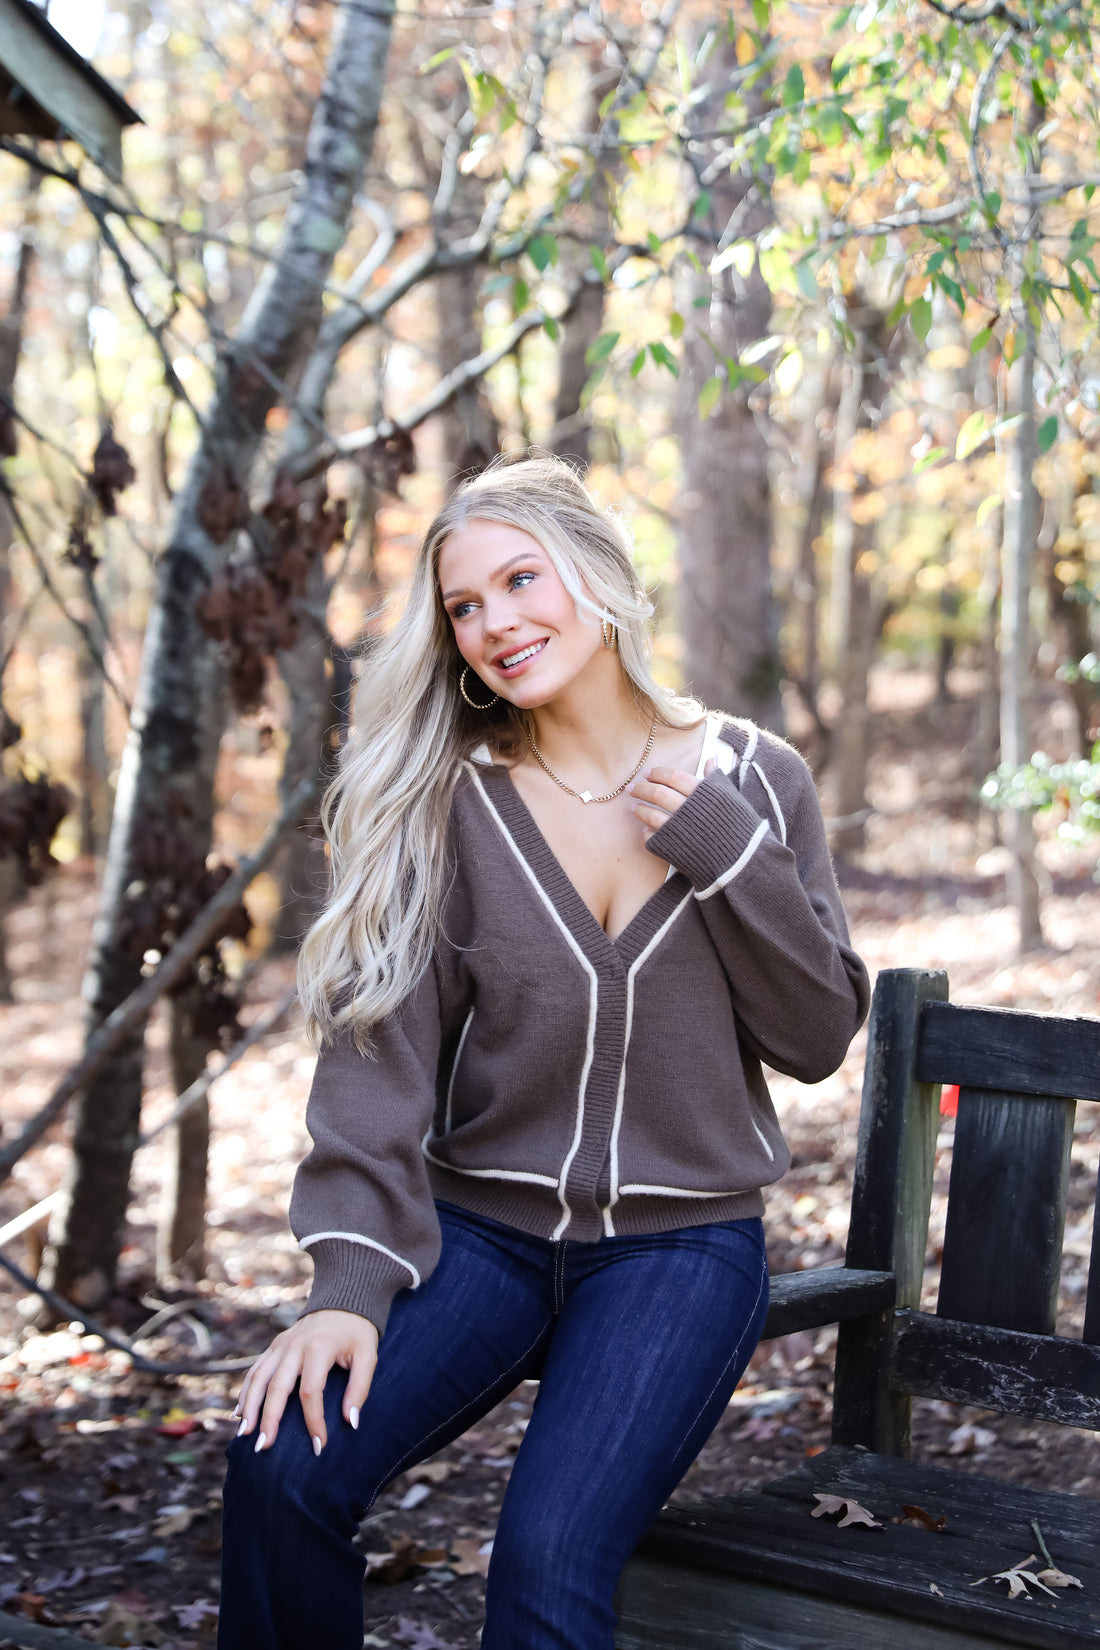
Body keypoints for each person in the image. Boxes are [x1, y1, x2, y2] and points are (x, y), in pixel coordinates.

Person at [219, 452, 870, 1650]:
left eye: (521, 580)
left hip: (676, 1254)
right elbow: (378, 1048)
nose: (495, 624)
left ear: (600, 575)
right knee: (280, 1468)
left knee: (545, 1562)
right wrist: (347, 1290)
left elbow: (818, 1035)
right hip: (480, 1237)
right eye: (464, 606)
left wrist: (726, 853)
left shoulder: (753, 779)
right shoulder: (450, 801)